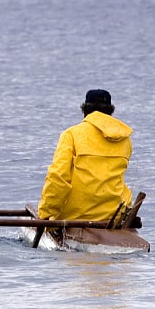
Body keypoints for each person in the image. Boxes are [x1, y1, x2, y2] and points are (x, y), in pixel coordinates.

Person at [38, 89, 133, 222]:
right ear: (111, 111)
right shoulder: (125, 139)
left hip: (75, 216)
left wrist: (46, 213)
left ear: (84, 110)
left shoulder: (71, 134)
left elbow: (58, 176)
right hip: (114, 215)